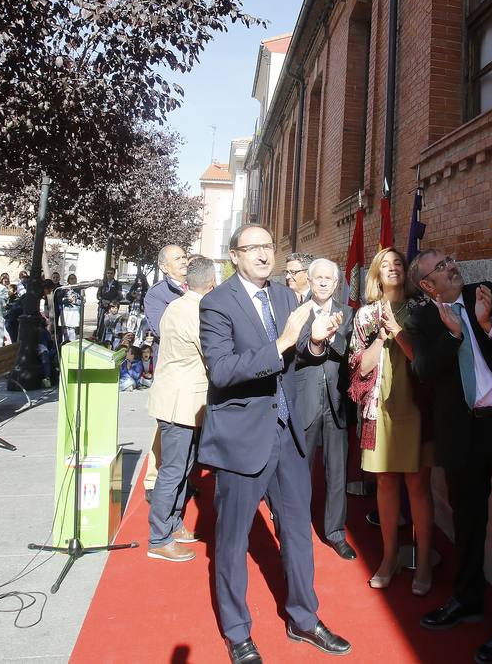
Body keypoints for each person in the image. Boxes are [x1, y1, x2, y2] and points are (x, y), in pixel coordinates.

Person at [198, 224, 350, 663]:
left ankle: (304, 619)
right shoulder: (217, 303)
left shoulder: (285, 298)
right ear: (234, 255)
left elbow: (300, 355)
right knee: (232, 540)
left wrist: (316, 342)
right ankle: (237, 630)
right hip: (242, 439)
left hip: (288, 435)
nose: (264, 255)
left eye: (268, 247)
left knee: (298, 531)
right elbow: (222, 372)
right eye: (254, 248)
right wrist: (283, 341)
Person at [407, 251, 492, 664]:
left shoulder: (486, 293)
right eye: (440, 266)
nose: (450, 266)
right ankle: (467, 598)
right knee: (468, 521)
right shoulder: (422, 319)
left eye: (448, 259)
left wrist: (488, 324)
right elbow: (425, 371)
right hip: (463, 435)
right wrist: (452, 336)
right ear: (427, 285)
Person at [348, 246, 435, 595]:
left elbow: (426, 361)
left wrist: (398, 330)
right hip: (379, 408)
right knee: (385, 484)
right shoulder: (365, 316)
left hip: (414, 407)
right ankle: (388, 557)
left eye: (398, 263)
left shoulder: (421, 309)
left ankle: (425, 560)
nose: (393, 268)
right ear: (376, 275)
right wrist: (382, 335)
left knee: (417, 485)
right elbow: (360, 367)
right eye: (385, 265)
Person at [146, 255, 215, 562]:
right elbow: (212, 352)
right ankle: (158, 538)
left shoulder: (178, 305)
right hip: (179, 401)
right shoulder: (198, 311)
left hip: (181, 400)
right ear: (211, 285)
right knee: (173, 470)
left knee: (184, 466)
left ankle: (173, 524)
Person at [293, 257, 356, 560]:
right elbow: (294, 353)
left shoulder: (349, 314)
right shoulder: (297, 312)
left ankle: (335, 532)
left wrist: (333, 335)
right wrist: (316, 338)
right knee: (299, 470)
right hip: (304, 401)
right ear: (309, 279)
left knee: (337, 471)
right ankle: (296, 526)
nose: (321, 282)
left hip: (337, 402)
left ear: (335, 284)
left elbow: (350, 357)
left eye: (327, 279)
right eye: (317, 277)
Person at [141, 245, 189, 498]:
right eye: (178, 258)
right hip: (172, 368)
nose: (184, 261)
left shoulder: (199, 286)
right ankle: (153, 480)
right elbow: (162, 329)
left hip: (198, 368)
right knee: (166, 424)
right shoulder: (158, 295)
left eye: (185, 256)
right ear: (164, 267)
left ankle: (187, 478)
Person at [96, 267, 122, 339]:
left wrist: (111, 302)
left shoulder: (117, 284)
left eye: (111, 273)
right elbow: (98, 295)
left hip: (112, 306)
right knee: (101, 323)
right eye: (108, 273)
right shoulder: (102, 283)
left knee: (111, 324)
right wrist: (102, 300)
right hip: (102, 305)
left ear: (114, 274)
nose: (109, 275)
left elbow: (120, 296)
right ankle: (99, 338)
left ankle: (109, 340)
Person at [58, 274, 84, 343]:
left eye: (74, 278)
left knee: (72, 330)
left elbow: (83, 301)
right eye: (71, 278)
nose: (73, 280)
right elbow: (59, 299)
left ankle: (72, 343)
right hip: (66, 311)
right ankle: (64, 343)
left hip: (74, 311)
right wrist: (65, 300)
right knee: (65, 329)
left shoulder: (80, 288)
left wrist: (75, 301)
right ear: (68, 280)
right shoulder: (64, 288)